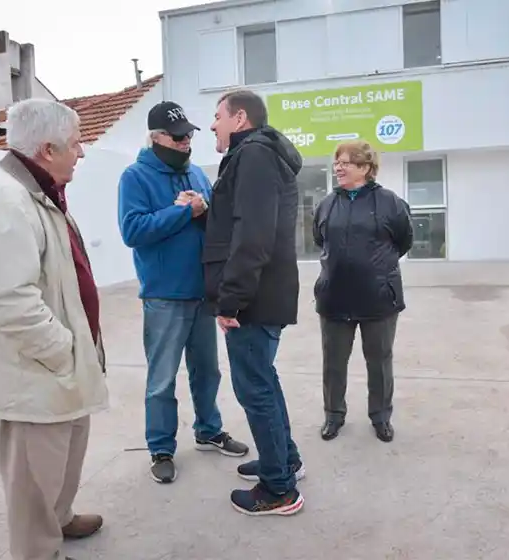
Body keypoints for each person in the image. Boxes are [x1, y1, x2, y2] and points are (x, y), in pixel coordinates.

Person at [0, 99, 109, 560]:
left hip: (62, 364)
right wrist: (61, 350)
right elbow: (7, 298)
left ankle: (59, 518)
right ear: (47, 149)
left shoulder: (38, 191)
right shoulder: (5, 200)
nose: (81, 152)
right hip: (37, 370)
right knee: (33, 474)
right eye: (75, 143)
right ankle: (37, 550)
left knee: (64, 456)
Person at [117, 101, 249, 485]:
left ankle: (208, 430)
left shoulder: (195, 173)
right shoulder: (135, 177)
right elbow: (132, 231)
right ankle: (160, 447)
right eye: (177, 137)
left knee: (207, 370)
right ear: (156, 138)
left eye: (189, 134)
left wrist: (204, 211)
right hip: (163, 296)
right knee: (162, 379)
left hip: (201, 293)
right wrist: (182, 213)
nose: (186, 142)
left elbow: (213, 222)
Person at [203, 89, 305, 516]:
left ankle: (278, 489)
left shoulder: (255, 156)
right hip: (263, 294)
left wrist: (231, 300)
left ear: (239, 118)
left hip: (254, 299)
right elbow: (241, 221)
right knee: (264, 380)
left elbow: (253, 235)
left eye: (217, 116)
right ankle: (285, 460)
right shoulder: (258, 155)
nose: (212, 125)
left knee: (255, 388)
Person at [312, 140, 413, 443]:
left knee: (379, 361)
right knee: (333, 362)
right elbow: (321, 240)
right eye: (337, 162)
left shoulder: (390, 202)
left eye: (346, 162)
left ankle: (380, 417)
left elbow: (404, 240)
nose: (338, 167)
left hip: (378, 297)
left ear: (366, 167)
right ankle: (333, 415)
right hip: (335, 297)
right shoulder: (327, 204)